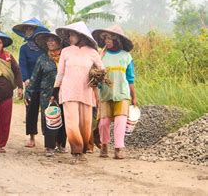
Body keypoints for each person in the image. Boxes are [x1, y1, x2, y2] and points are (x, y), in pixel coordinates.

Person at [53, 21, 104, 164]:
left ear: (81, 36)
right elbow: (60, 73)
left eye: (73, 35)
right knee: (71, 122)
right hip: (68, 91)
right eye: (69, 35)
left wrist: (97, 77)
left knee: (85, 124)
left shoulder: (93, 53)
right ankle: (76, 150)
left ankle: (83, 150)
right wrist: (55, 89)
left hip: (86, 92)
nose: (70, 38)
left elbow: (102, 70)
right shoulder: (66, 51)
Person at [92, 25, 137, 160]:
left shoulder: (126, 56)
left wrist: (134, 97)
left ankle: (118, 149)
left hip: (122, 93)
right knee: (104, 123)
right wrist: (96, 92)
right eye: (105, 38)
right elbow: (96, 77)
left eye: (110, 38)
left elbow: (130, 78)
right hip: (105, 94)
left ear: (117, 40)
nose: (107, 41)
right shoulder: (101, 55)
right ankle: (104, 145)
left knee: (120, 121)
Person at [26, 30, 67, 157]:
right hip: (47, 94)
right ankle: (50, 147)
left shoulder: (66, 58)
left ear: (59, 42)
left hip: (65, 92)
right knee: (50, 118)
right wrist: (29, 92)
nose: (50, 42)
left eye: (53, 40)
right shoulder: (42, 58)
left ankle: (61, 144)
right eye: (48, 41)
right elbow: (35, 77)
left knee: (64, 118)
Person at [12, 18, 49, 148]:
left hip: (45, 84)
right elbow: (22, 65)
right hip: (31, 84)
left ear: (36, 31)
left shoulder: (45, 48)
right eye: (26, 29)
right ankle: (32, 138)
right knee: (31, 111)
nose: (27, 31)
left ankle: (48, 139)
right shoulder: (24, 49)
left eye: (30, 29)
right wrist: (26, 80)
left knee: (47, 112)